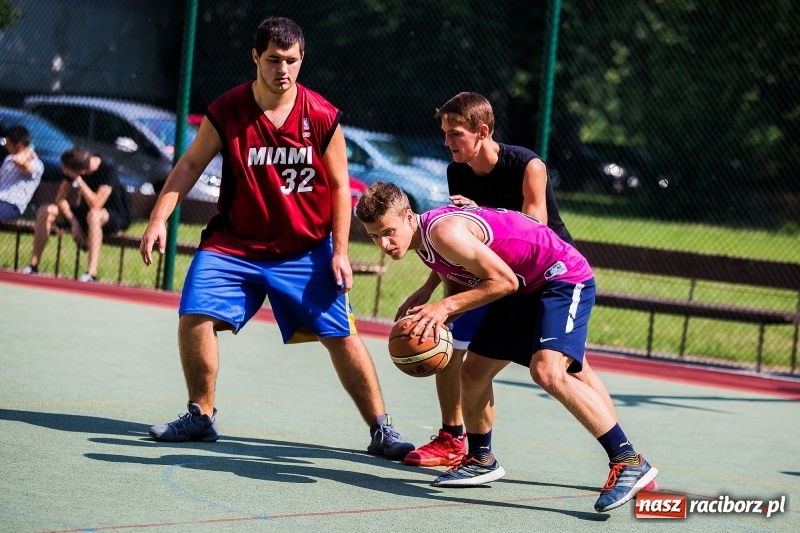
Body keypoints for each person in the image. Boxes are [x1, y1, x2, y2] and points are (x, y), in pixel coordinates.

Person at [138, 16, 414, 460]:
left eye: (291, 60)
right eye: (272, 59)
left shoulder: (322, 116)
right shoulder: (228, 110)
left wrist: (340, 251)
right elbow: (189, 165)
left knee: (341, 335)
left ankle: (381, 429)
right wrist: (158, 218)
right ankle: (200, 415)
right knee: (194, 315)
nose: (282, 69)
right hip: (234, 244)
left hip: (304, 249)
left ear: (302, 59)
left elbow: (342, 186)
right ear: (255, 57)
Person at [355, 181, 658, 512]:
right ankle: (481, 458)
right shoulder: (424, 240)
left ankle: (629, 461)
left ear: (409, 217)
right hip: (523, 290)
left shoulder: (443, 233)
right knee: (472, 374)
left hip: (559, 277)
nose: (383, 243)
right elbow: (463, 274)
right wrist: (435, 299)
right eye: (373, 236)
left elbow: (503, 281)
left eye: (388, 231)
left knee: (548, 372)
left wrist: (444, 309)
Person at [400, 92, 620, 473]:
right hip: (496, 274)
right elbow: (459, 246)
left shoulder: (527, 165)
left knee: (569, 369)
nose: (447, 142)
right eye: (445, 133)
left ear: (481, 132)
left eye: (455, 134)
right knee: (452, 344)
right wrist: (429, 288)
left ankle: (621, 453)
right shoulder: (458, 169)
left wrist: (478, 215)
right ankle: (456, 441)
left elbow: (531, 226)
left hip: (544, 271)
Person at [21, 147, 130, 281]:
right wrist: (74, 222)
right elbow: (60, 199)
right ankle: (33, 266)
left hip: (114, 216)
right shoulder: (75, 168)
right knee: (46, 210)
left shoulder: (107, 170)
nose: (64, 172)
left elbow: (96, 204)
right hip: (85, 214)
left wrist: (78, 180)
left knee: (94, 215)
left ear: (81, 171)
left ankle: (91, 273)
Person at [0, 125, 44, 220]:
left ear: (19, 145)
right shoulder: (8, 159)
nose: (6, 147)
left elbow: (19, 161)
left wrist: (28, 151)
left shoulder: (36, 164)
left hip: (12, 205)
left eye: (8, 144)